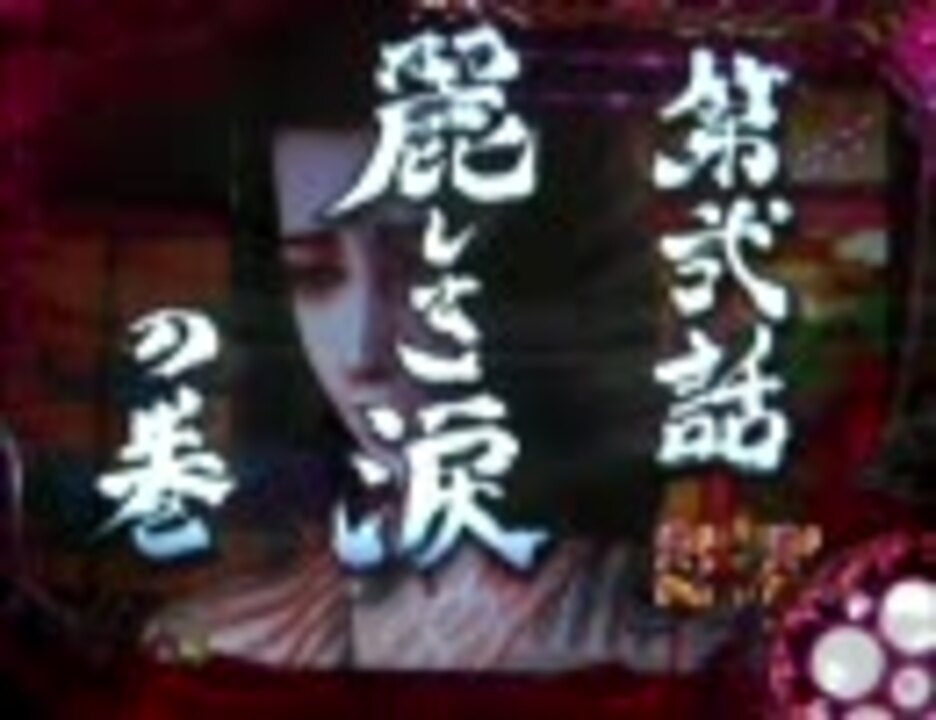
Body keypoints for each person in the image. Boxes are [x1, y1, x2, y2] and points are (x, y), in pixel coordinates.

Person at [141, 113, 739, 672]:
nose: (362, 349)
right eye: (317, 275)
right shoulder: (219, 644)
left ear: (546, 283)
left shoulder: (685, 652)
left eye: (420, 267)